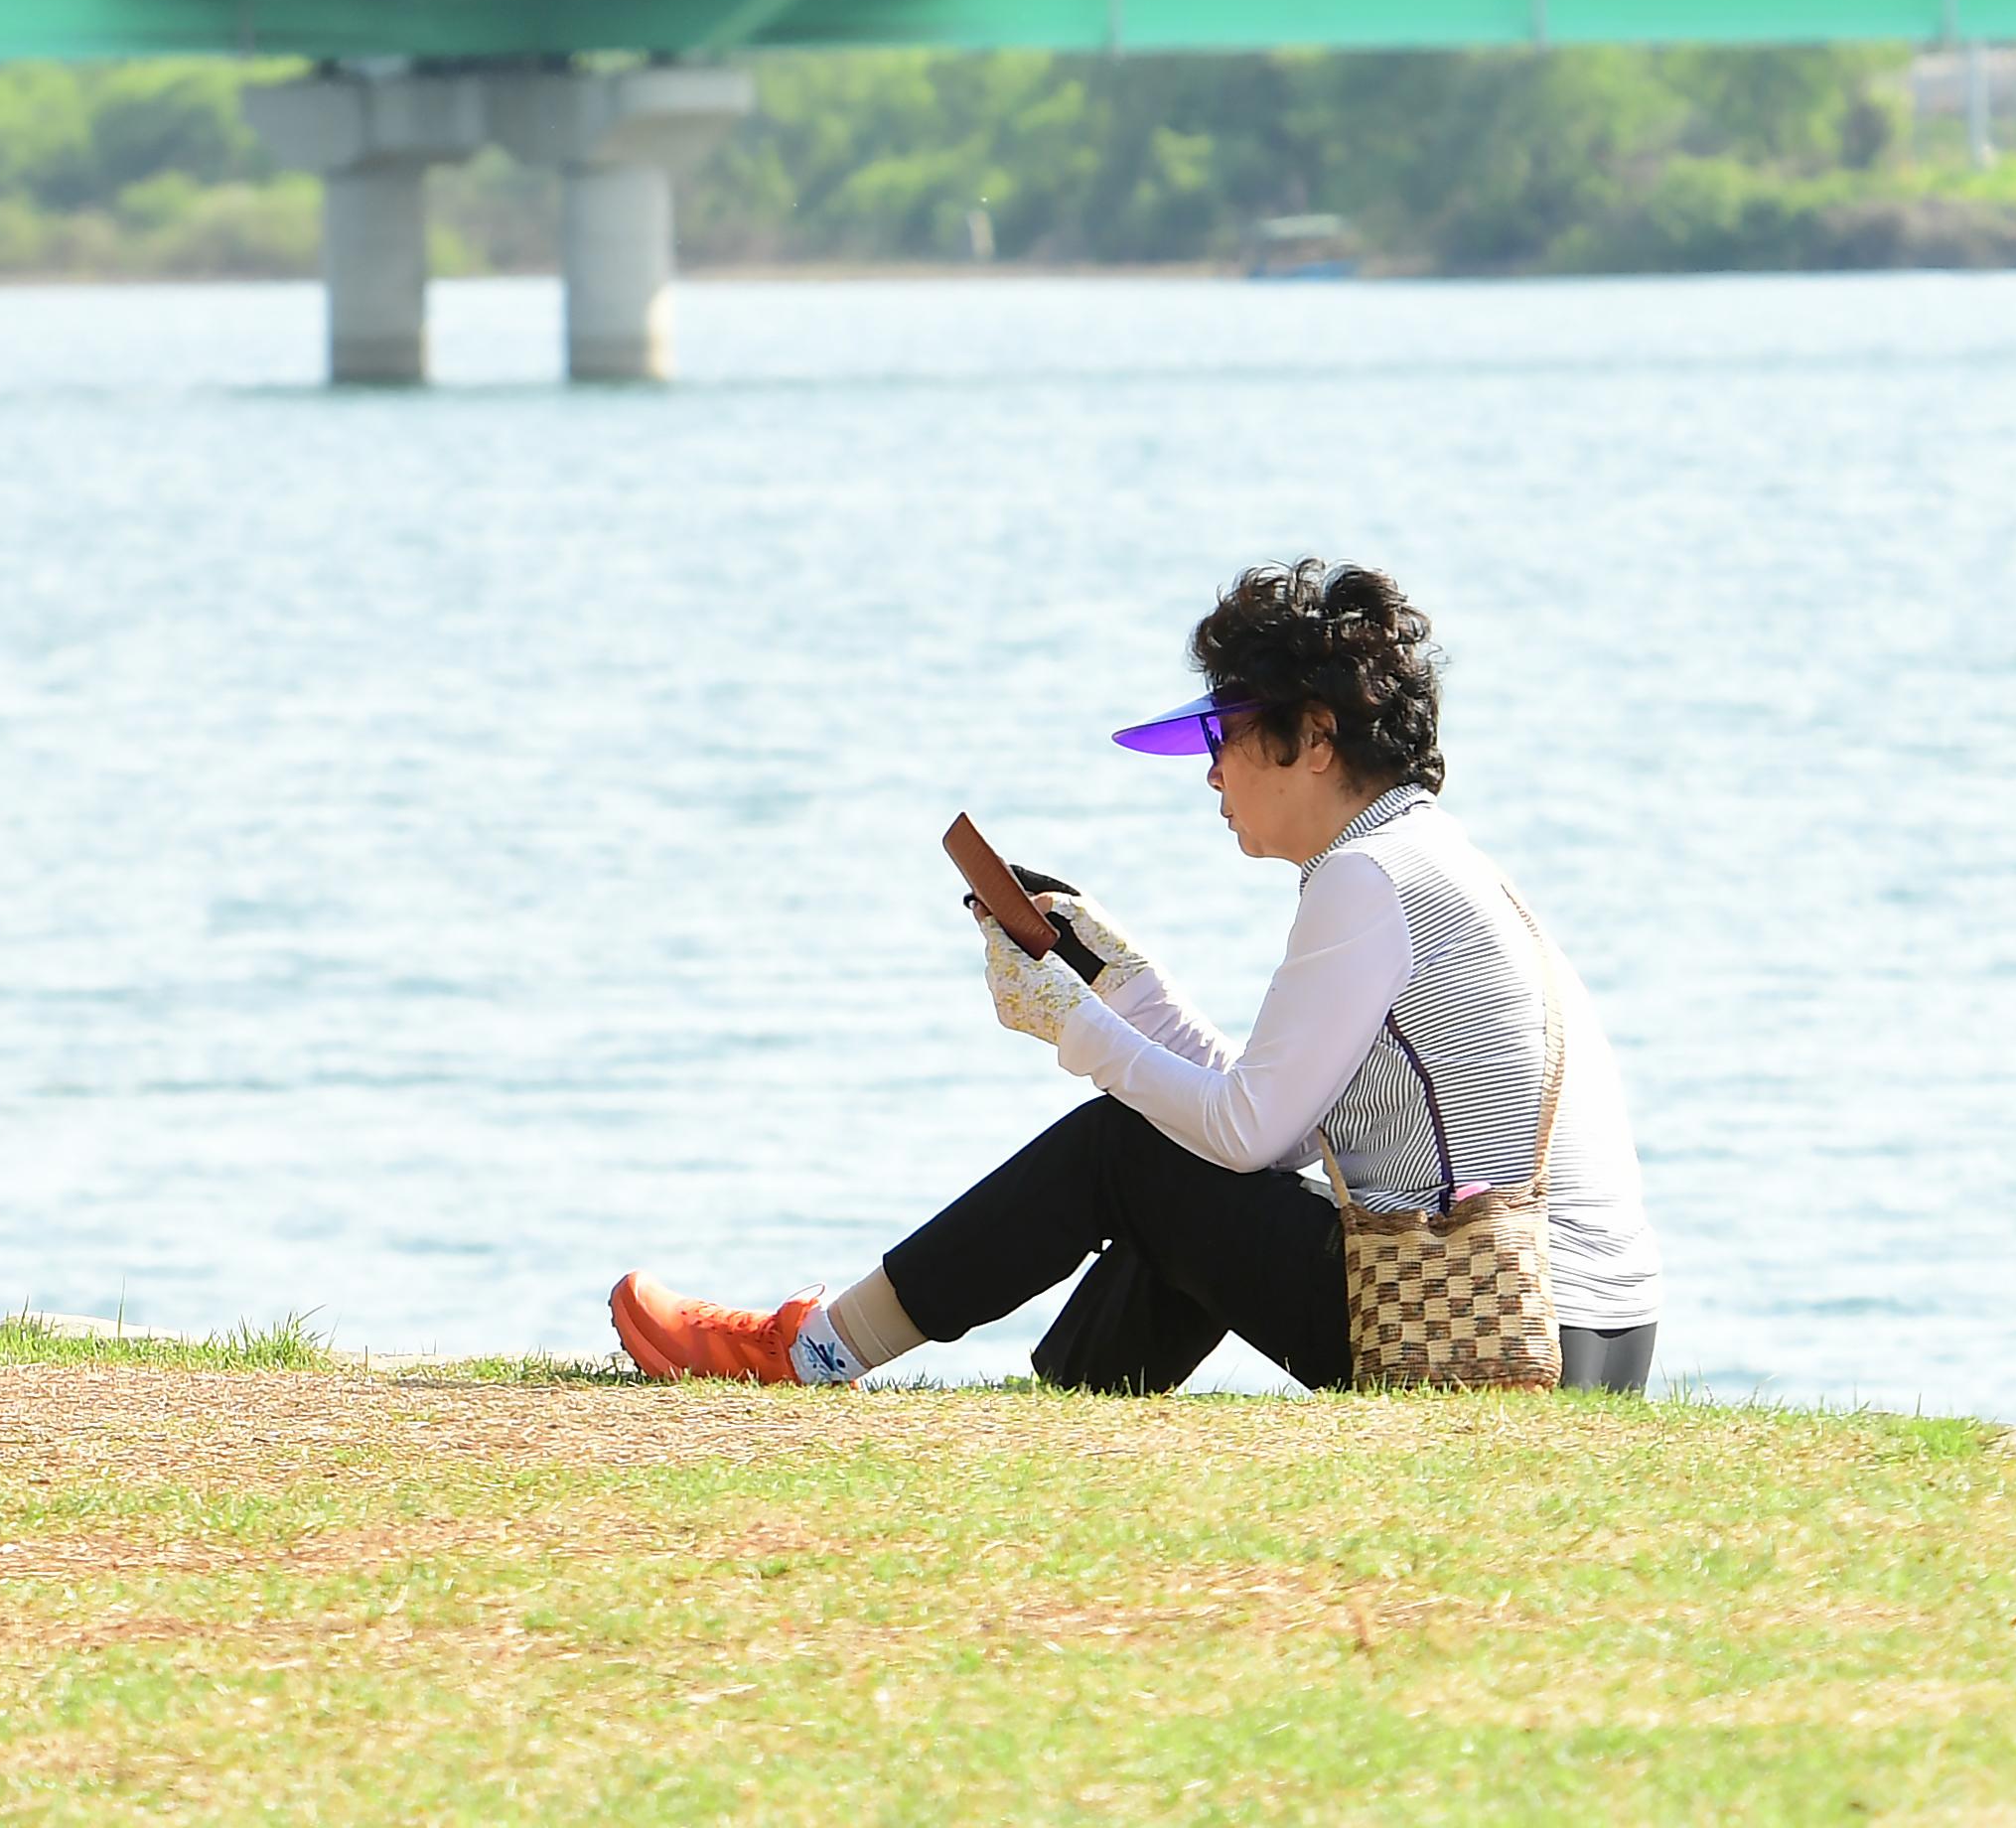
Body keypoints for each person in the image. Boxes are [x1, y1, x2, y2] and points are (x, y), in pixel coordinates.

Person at [607, 556, 1657, 1395]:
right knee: (1163, 1147)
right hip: (1579, 1336)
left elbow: (1246, 1134)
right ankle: (1071, 1401)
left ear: (1315, 736)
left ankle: (811, 1350)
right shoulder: (1429, 857)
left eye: (1225, 733)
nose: (1208, 769)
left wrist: (1075, 1029)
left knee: (1124, 1141)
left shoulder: (1363, 879)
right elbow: (1269, 1123)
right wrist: (1118, 982)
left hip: (1488, 1330)